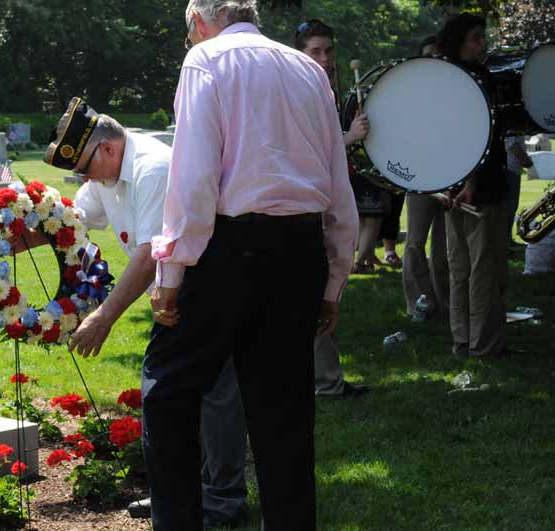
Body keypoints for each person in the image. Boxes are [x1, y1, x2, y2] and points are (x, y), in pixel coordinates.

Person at [144, 1, 358, 529]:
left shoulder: (206, 61)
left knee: (167, 389)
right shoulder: (309, 70)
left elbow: (193, 181)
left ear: (197, 22)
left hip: (229, 248)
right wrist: (333, 281)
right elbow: (338, 183)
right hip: (300, 251)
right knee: (284, 411)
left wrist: (170, 273)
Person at [18, 97, 249, 529]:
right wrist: (22, 239)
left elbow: (147, 255)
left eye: (85, 167)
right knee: (178, 396)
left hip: (207, 281)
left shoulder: (153, 167)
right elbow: (74, 220)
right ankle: (180, 494)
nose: (83, 178)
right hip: (175, 284)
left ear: (107, 149)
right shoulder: (107, 175)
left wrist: (103, 318)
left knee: (210, 393)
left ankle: (222, 498)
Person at [296, 19, 370, 398]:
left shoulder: (324, 87)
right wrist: (349, 137)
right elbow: (311, 152)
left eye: (328, 50)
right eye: (315, 51)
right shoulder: (300, 90)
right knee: (316, 296)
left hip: (326, 205)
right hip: (309, 210)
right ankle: (325, 382)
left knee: (323, 294)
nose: (324, 58)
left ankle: (325, 377)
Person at [438, 13, 508, 358]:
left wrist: (448, 183)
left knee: (461, 266)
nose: (484, 43)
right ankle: (483, 344)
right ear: (459, 43)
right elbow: (476, 134)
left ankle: (463, 340)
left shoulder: (444, 78)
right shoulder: (476, 77)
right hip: (476, 185)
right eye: (476, 38)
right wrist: (469, 182)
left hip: (453, 184)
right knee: (481, 266)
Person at [401, 36, 449, 320]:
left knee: (445, 249)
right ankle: (418, 303)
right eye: (429, 55)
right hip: (419, 176)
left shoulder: (458, 91)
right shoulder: (411, 93)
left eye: (440, 54)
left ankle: (445, 304)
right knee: (415, 242)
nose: (435, 59)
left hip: (451, 177)